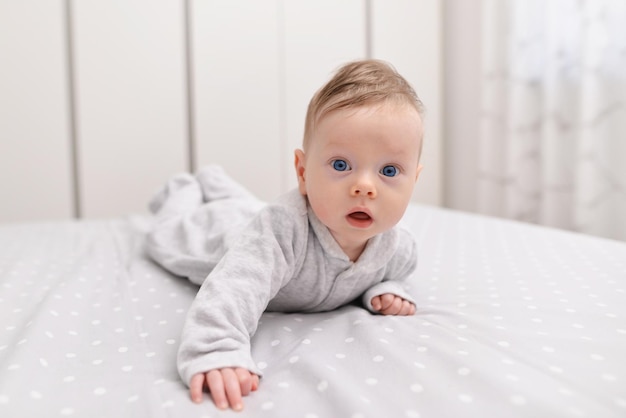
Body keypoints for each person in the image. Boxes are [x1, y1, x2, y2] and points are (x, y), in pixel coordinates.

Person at [146, 59, 425, 411]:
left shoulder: (397, 247)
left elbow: (393, 271)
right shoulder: (282, 230)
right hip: (225, 234)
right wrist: (216, 348)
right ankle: (184, 188)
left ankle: (217, 182)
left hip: (254, 214)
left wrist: (384, 287)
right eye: (341, 165)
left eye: (388, 170)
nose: (364, 187)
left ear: (413, 180)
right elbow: (235, 287)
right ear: (303, 172)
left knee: (247, 205)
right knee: (167, 234)